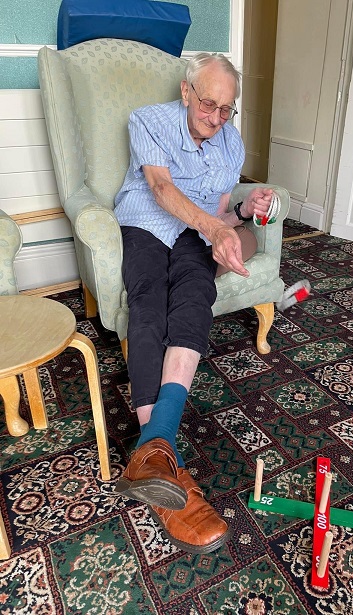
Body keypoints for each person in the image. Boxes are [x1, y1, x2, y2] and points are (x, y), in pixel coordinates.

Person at [113, 52, 274, 554]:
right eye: (208, 104)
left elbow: (221, 210)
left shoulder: (231, 140)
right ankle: (165, 454)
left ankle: (152, 452)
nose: (217, 118)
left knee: (195, 297)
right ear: (186, 92)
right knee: (148, 303)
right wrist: (215, 229)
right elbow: (160, 188)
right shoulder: (148, 120)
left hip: (197, 232)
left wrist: (245, 210)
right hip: (147, 221)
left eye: (227, 109)